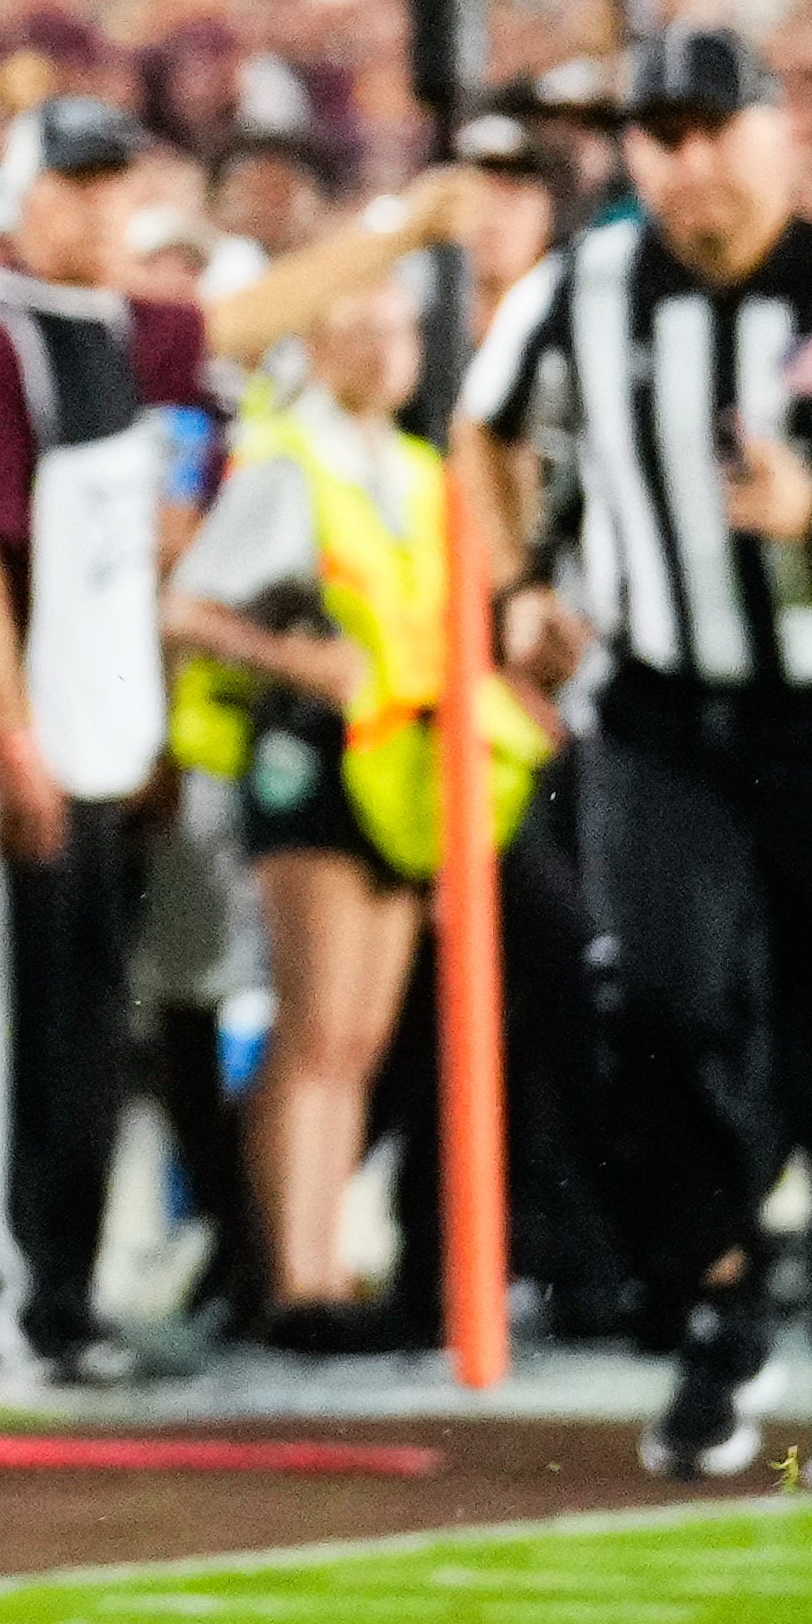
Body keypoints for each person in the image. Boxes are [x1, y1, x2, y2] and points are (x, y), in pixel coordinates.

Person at [449, 24, 812, 1485]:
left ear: (775, 132)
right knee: (644, 1000)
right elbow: (480, 438)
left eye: (712, 128)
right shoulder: (582, 286)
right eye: (658, 134)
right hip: (659, 709)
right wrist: (519, 582)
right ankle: (724, 1292)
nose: (687, 162)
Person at [0, 96, 440, 1395]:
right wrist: (14, 737)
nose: (91, 208)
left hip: (95, 748)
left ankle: (65, 1300)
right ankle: (9, 1313)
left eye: (109, 185)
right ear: (28, 201)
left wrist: (397, 228)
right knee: (16, 1044)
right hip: (19, 750)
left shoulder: (114, 333)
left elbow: (254, 320)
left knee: (87, 1039)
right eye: (70, 185)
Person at [168, 258, 518, 1352]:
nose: (381, 348)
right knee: (315, 1027)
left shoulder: (413, 468)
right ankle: (294, 1276)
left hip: (397, 768)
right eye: (357, 326)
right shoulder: (286, 461)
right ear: (315, 343)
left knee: (356, 1036)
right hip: (309, 754)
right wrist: (291, 659)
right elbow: (185, 608)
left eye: (395, 328)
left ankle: (311, 1264)